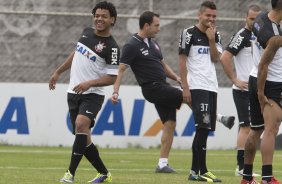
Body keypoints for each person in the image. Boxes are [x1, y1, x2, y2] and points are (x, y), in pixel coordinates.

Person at [48, 1, 120, 183]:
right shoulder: (86, 32)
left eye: (104, 16)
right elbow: (76, 54)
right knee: (83, 137)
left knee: (81, 124)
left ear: (112, 20)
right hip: (73, 92)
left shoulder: (112, 48)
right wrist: (58, 71)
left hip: (93, 94)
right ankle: (103, 173)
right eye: (97, 15)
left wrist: (90, 83)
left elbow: (112, 77)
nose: (99, 19)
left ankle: (69, 173)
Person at [111, 11, 184, 174]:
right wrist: (115, 92)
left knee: (170, 124)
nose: (159, 29)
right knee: (189, 96)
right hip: (152, 88)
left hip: (162, 86)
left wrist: (177, 78)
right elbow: (121, 70)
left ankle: (162, 164)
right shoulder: (132, 45)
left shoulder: (153, 43)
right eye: (156, 25)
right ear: (146, 26)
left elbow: (163, 66)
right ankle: (215, 117)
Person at [178, 1, 222, 182]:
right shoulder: (188, 34)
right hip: (197, 86)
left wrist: (211, 40)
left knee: (205, 129)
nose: (211, 19)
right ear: (200, 15)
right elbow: (182, 60)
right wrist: (185, 88)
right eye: (208, 15)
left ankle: (198, 171)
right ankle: (198, 171)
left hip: (211, 86)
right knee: (202, 128)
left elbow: (216, 58)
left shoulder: (215, 35)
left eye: (214, 16)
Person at [240, 0, 282, 184]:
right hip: (269, 83)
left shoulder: (261, 18)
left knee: (255, 130)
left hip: (255, 78)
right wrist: (261, 93)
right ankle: (266, 178)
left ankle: (246, 178)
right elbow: (264, 65)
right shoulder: (274, 37)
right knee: (271, 130)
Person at [220, 4, 261, 177]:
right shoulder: (242, 35)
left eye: (256, 19)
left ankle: (245, 165)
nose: (253, 22)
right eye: (251, 18)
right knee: (246, 127)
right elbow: (225, 56)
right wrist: (235, 79)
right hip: (243, 89)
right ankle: (241, 167)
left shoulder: (261, 35)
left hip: (256, 89)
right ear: (246, 17)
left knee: (253, 127)